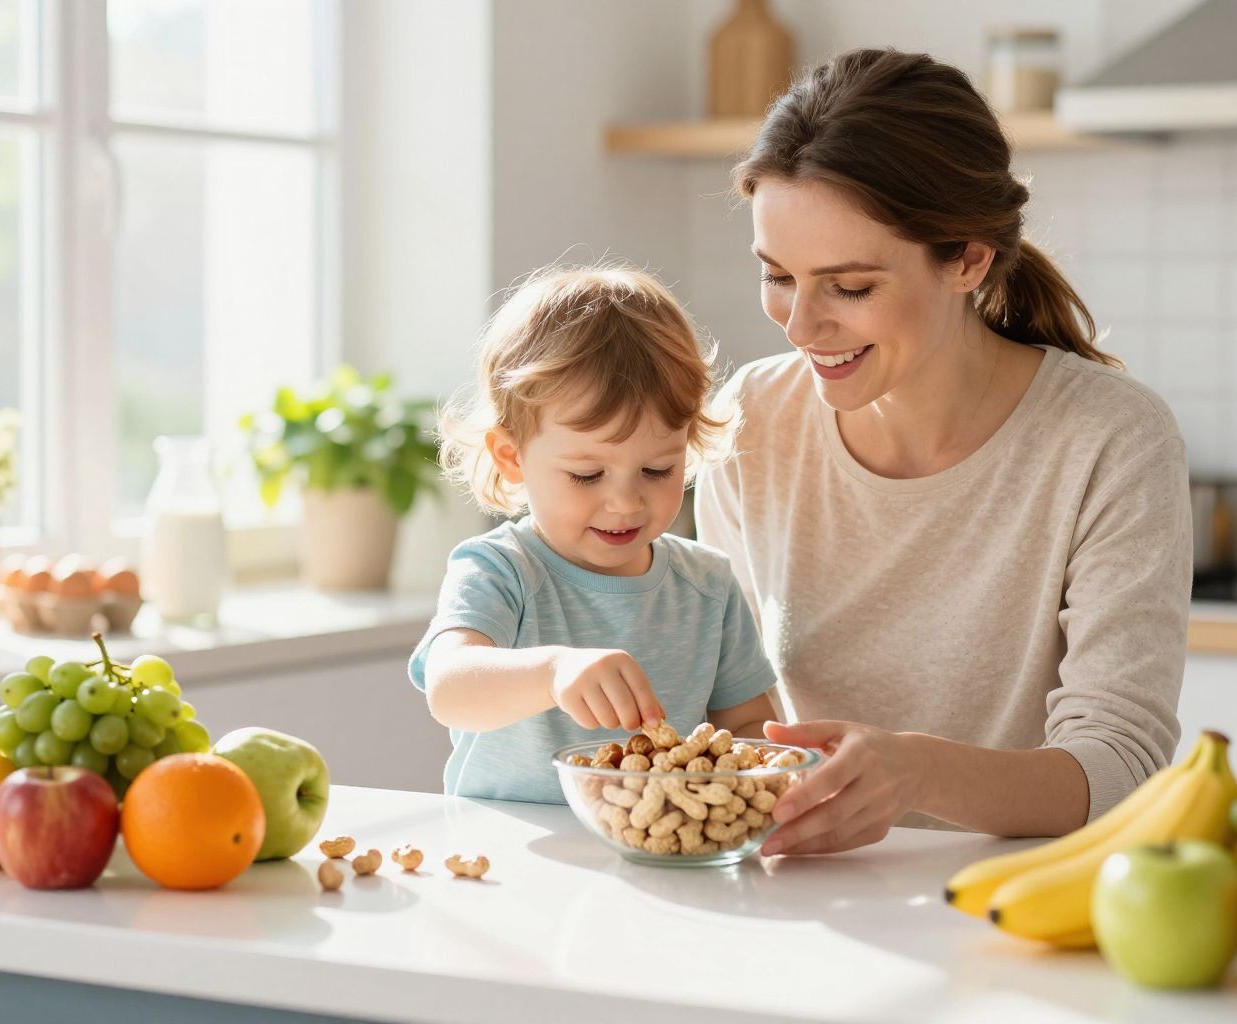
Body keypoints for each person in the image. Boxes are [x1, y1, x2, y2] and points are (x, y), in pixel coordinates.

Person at [695, 48, 1192, 855]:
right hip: (800, 895)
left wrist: (916, 774)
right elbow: (727, 703)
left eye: (850, 287)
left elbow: (1120, 767)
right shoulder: (752, 421)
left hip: (1015, 900)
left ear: (967, 259)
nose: (800, 326)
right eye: (778, 276)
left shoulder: (1110, 438)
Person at [409, 264, 777, 803]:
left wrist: (776, 765)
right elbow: (450, 687)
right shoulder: (501, 570)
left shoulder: (707, 584)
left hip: (655, 846)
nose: (626, 502)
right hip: (504, 848)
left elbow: (744, 726)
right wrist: (553, 672)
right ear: (511, 457)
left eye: (657, 470)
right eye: (587, 475)